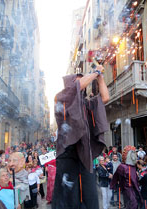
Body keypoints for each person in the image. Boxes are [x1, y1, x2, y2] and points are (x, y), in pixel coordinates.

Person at [52, 65, 109, 209]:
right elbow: (77, 86)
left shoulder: (86, 103)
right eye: (80, 79)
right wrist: (95, 72)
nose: (84, 82)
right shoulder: (61, 97)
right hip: (67, 152)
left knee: (89, 192)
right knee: (68, 195)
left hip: (84, 152)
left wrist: (100, 78)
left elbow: (105, 98)